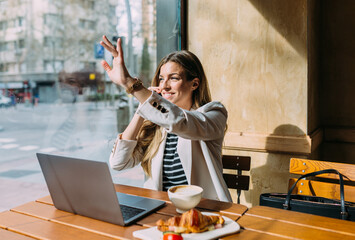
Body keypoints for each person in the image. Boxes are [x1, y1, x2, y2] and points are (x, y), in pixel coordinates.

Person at [100, 35, 232, 202]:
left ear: (195, 84)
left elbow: (179, 122)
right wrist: (142, 109)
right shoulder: (156, 125)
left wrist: (130, 84)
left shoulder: (213, 113)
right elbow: (118, 163)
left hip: (203, 211)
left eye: (174, 78)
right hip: (161, 210)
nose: (164, 86)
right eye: (161, 79)